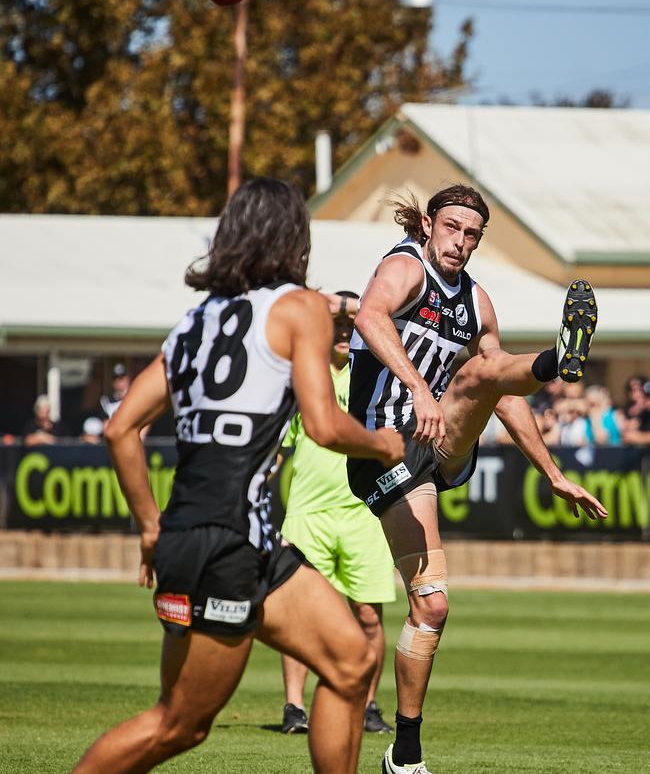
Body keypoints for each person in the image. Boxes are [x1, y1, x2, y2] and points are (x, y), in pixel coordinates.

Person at [72, 178, 404, 774]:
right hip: (228, 545)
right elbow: (325, 425)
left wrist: (151, 529)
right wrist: (382, 443)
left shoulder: (194, 324)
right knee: (178, 724)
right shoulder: (298, 308)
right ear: (291, 238)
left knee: (352, 663)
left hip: (214, 540)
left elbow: (121, 430)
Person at [346, 184, 608, 774]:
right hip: (386, 449)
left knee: (488, 369)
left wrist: (554, 474)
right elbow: (368, 314)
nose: (461, 242)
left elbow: (498, 387)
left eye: (473, 234)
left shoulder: (477, 302)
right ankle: (406, 753)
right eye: (453, 228)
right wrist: (417, 386)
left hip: (439, 438)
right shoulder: (404, 266)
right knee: (432, 607)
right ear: (430, 225)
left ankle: (555, 359)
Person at [279, 290, 395, 737]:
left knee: (368, 616)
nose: (345, 331)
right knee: (299, 618)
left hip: (364, 514)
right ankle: (294, 707)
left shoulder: (376, 376)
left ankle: (367, 706)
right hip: (308, 515)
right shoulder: (302, 378)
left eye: (353, 325)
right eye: (338, 324)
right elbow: (277, 451)